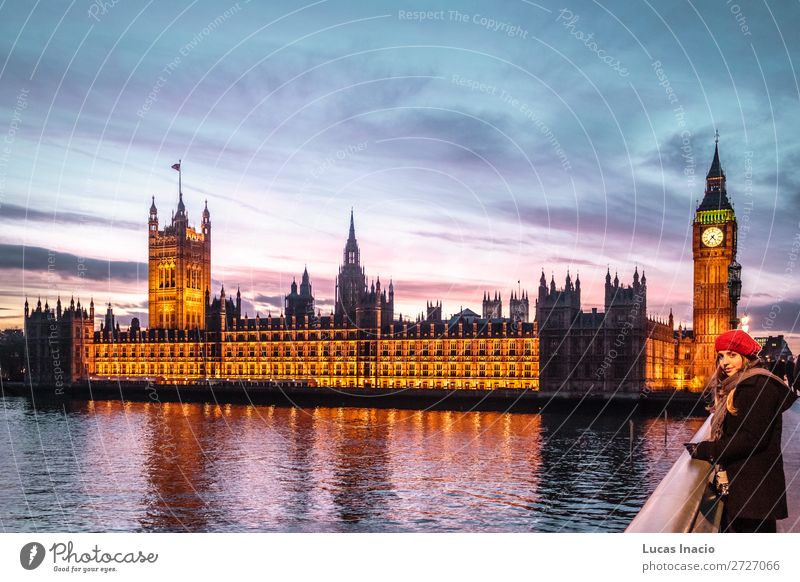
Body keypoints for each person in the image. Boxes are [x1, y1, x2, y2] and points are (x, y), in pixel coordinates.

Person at [687, 330, 797, 533]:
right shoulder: (743, 384)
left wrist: (706, 450)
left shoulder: (756, 386)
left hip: (754, 492)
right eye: (720, 356)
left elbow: (752, 438)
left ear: (746, 356)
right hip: (750, 489)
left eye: (732, 355)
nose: (724, 362)